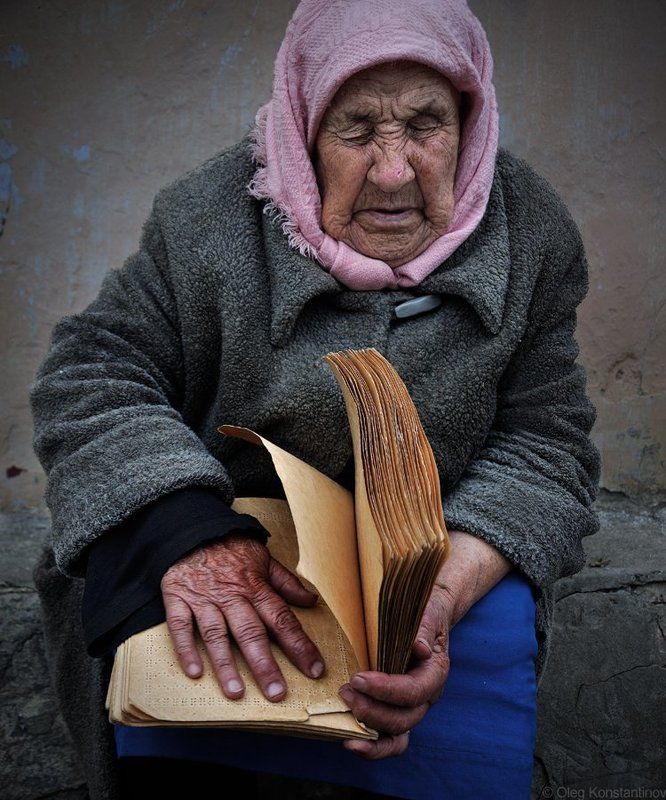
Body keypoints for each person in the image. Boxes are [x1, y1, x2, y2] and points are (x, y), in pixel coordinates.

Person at [29, 1, 601, 798]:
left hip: (432, 557)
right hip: (229, 534)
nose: (395, 170)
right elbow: (90, 373)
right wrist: (188, 534)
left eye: (427, 124)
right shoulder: (208, 218)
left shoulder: (531, 231)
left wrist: (443, 587)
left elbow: (548, 440)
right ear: (303, 127)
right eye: (358, 129)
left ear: (472, 117)